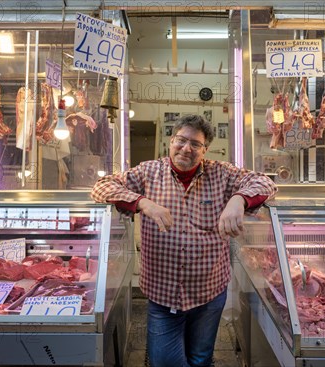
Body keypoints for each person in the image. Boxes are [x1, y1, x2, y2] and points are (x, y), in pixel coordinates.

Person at [91, 114, 277, 367]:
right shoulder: (148, 172)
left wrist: (238, 199)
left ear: (205, 149)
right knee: (165, 362)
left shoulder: (221, 174)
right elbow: (101, 187)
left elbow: (265, 182)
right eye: (181, 140)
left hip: (209, 291)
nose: (186, 148)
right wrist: (143, 203)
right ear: (171, 140)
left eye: (196, 144)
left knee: (200, 358)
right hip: (163, 292)